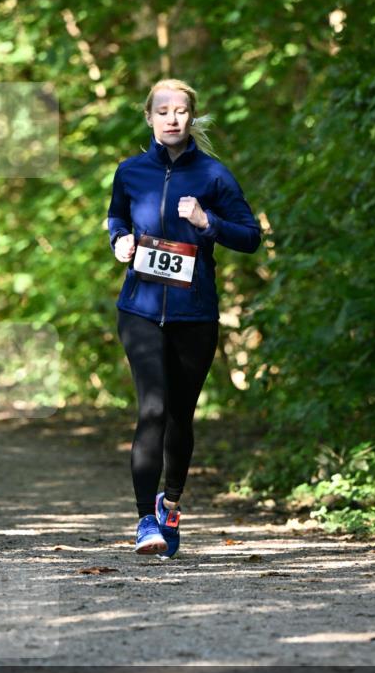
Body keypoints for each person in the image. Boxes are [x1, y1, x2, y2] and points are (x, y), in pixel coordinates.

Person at [108, 78, 261, 557]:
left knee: (180, 416)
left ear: (191, 118)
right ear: (149, 118)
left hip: (195, 314)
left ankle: (169, 502)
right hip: (140, 308)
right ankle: (143, 524)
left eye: (181, 111)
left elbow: (250, 236)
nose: (173, 118)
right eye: (163, 110)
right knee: (151, 409)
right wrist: (119, 242)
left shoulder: (214, 176)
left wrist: (207, 223)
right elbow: (116, 217)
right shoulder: (130, 172)